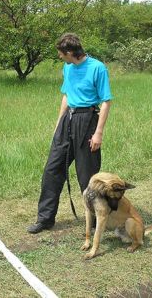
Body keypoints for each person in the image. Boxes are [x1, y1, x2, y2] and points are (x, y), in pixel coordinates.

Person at [27, 33, 112, 234]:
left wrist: (98, 132)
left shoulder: (97, 68)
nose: (59, 57)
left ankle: (95, 221)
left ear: (70, 52)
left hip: (88, 120)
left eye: (61, 54)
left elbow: (106, 101)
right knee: (52, 170)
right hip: (68, 121)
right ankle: (45, 219)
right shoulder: (67, 67)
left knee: (87, 176)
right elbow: (66, 96)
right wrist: (58, 124)